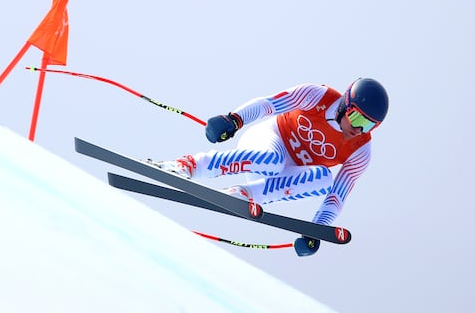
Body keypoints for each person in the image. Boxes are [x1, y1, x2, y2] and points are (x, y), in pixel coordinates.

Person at [157, 78, 389, 256]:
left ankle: (245, 195)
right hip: (268, 141)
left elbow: (336, 197)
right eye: (358, 119)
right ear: (345, 105)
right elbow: (270, 104)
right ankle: (187, 165)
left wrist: (318, 229)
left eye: (369, 125)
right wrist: (234, 119)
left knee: (324, 179)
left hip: (287, 174)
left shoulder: (361, 150)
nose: (359, 130)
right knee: (273, 160)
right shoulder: (318, 96)